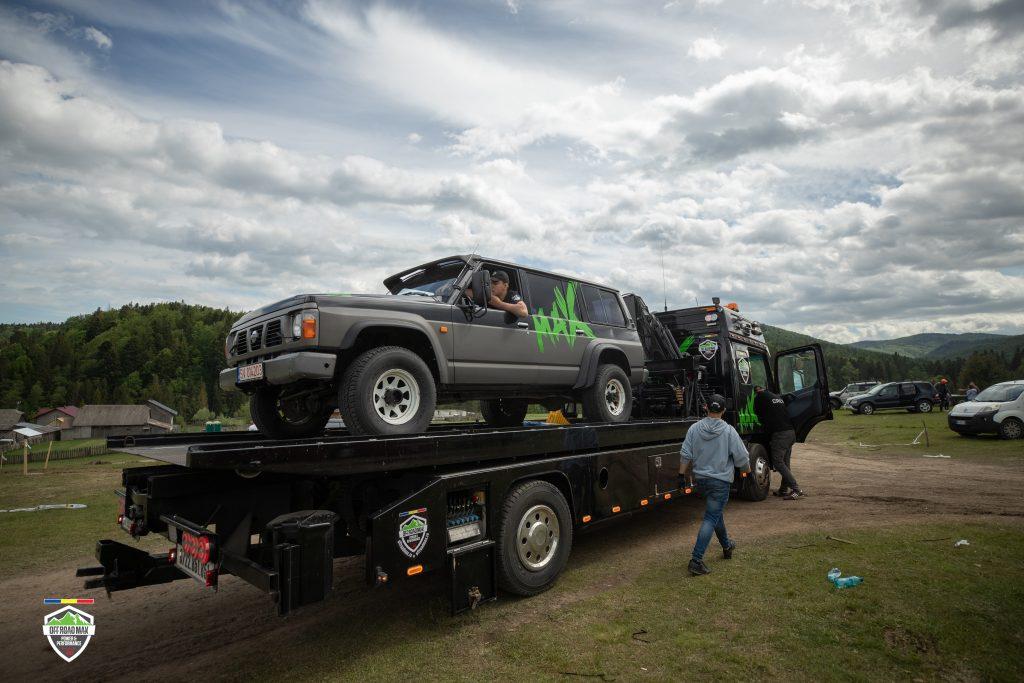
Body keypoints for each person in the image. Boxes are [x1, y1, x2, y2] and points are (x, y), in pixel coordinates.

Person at [679, 394, 751, 576]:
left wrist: (681, 475)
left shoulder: (694, 428)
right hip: (720, 481)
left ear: (706, 408)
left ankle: (727, 546)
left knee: (715, 514)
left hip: (701, 480)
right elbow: (742, 457)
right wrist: (747, 473)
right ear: (724, 410)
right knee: (711, 517)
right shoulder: (729, 431)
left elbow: (686, 453)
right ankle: (696, 560)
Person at [754, 385, 804, 500]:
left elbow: (757, 413)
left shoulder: (760, 397)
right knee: (785, 463)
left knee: (778, 462)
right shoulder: (776, 397)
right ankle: (783, 490)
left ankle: (796, 489)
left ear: (756, 391)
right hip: (790, 433)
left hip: (781, 435)